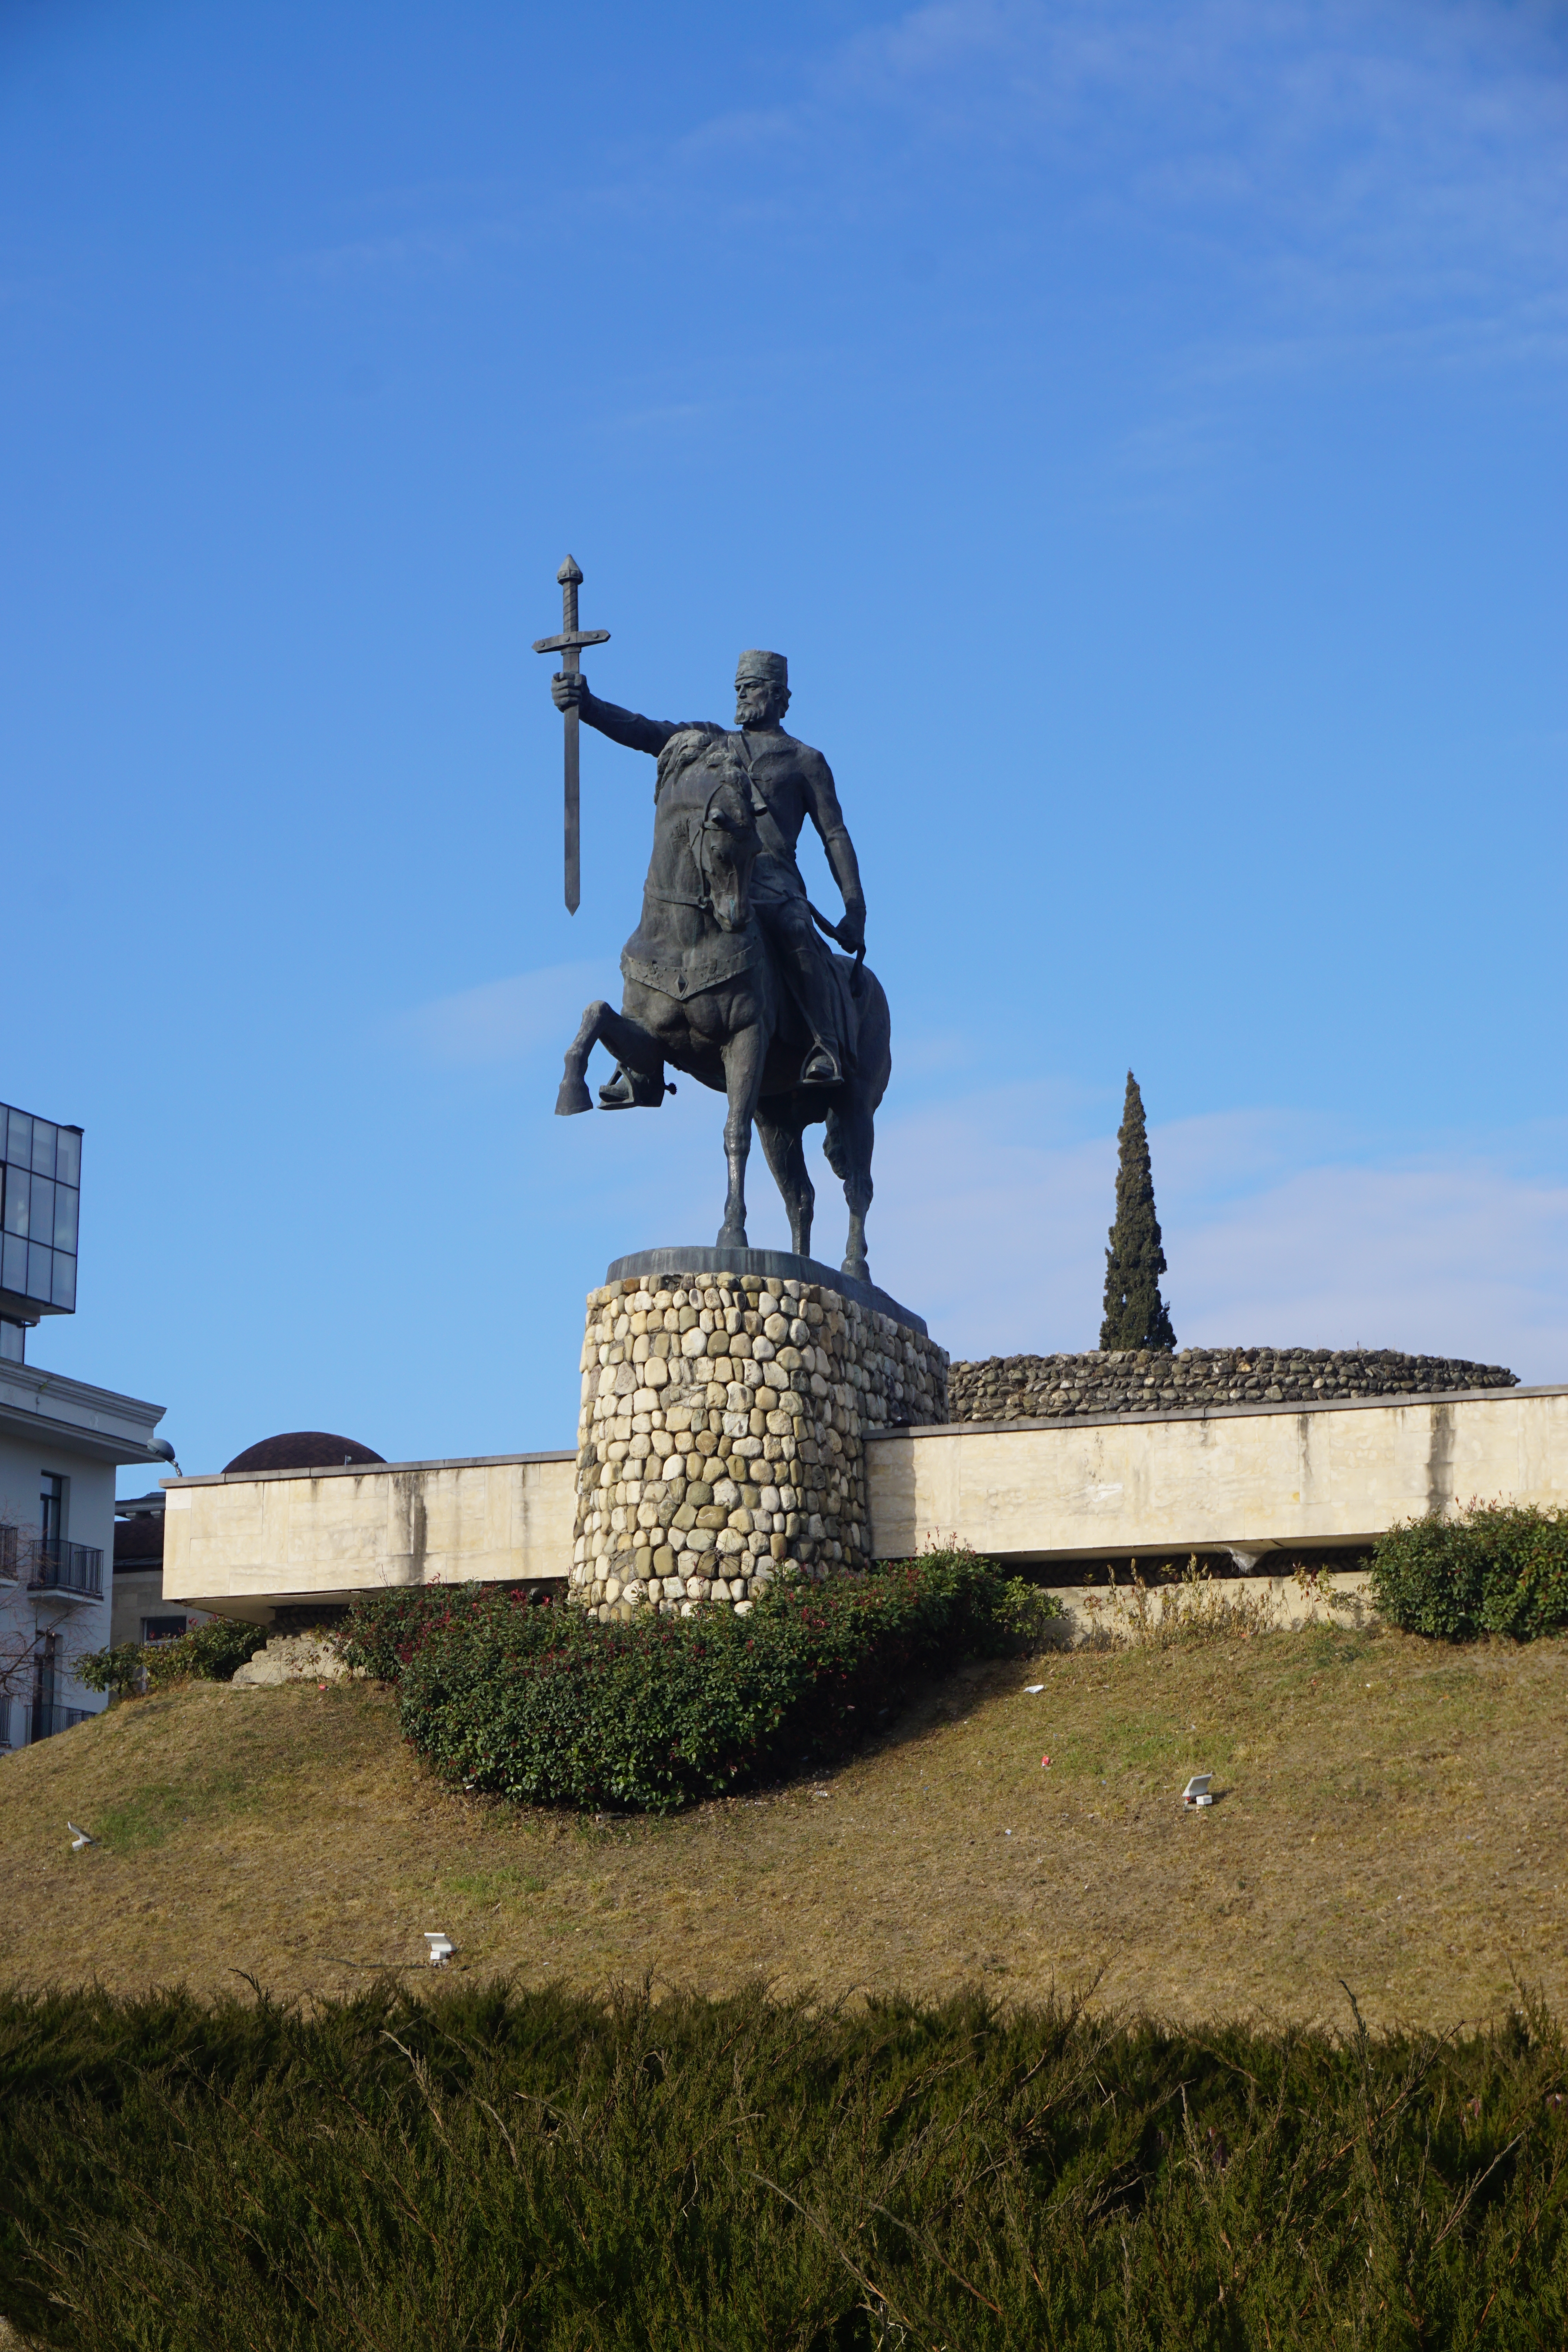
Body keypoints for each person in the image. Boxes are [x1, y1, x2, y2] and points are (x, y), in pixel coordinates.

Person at [552, 648, 866, 1090]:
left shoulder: (805, 760)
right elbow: (646, 731)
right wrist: (589, 707)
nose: (741, 694)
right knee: (662, 925)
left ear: (779, 697)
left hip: (774, 882)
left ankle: (824, 1045)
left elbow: (834, 835)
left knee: (795, 928)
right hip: (714, 872)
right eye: (738, 686)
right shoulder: (711, 744)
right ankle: (639, 1063)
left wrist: (855, 909)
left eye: (751, 686)